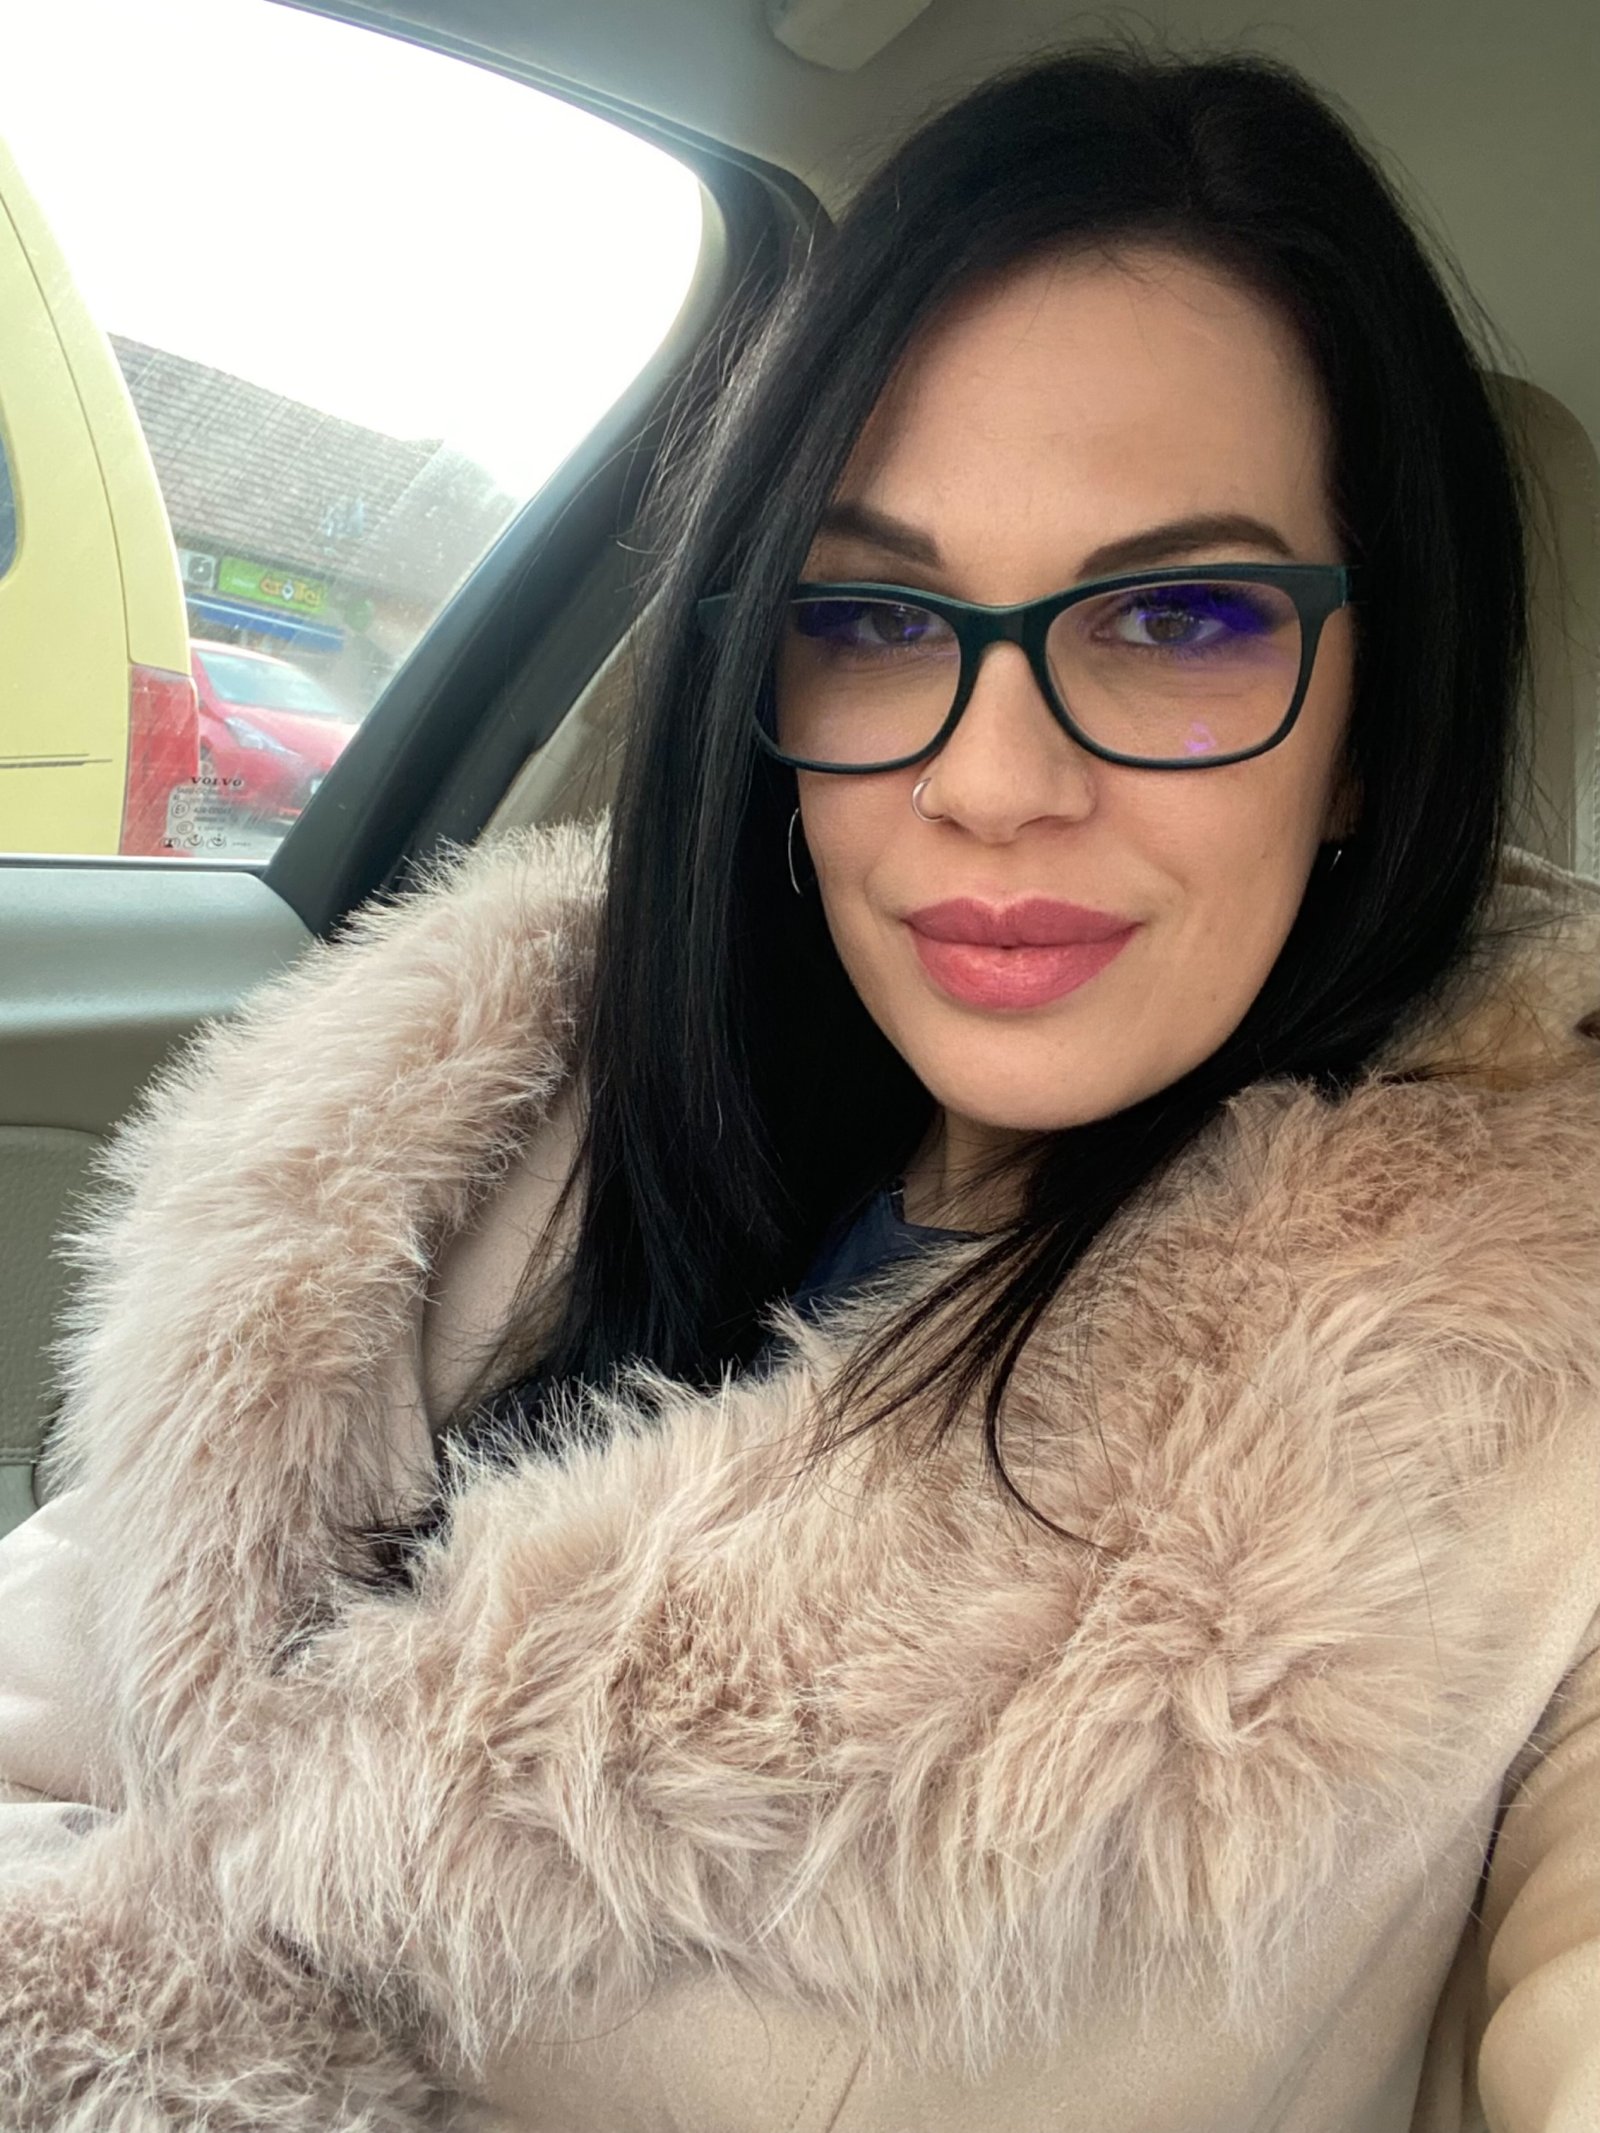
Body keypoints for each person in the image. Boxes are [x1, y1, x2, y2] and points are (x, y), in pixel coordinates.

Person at [1, 39, 1597, 2133]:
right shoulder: (485, 1127)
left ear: (1371, 727)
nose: (990, 778)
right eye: (871, 613)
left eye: (1179, 613)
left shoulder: (1538, 1371)